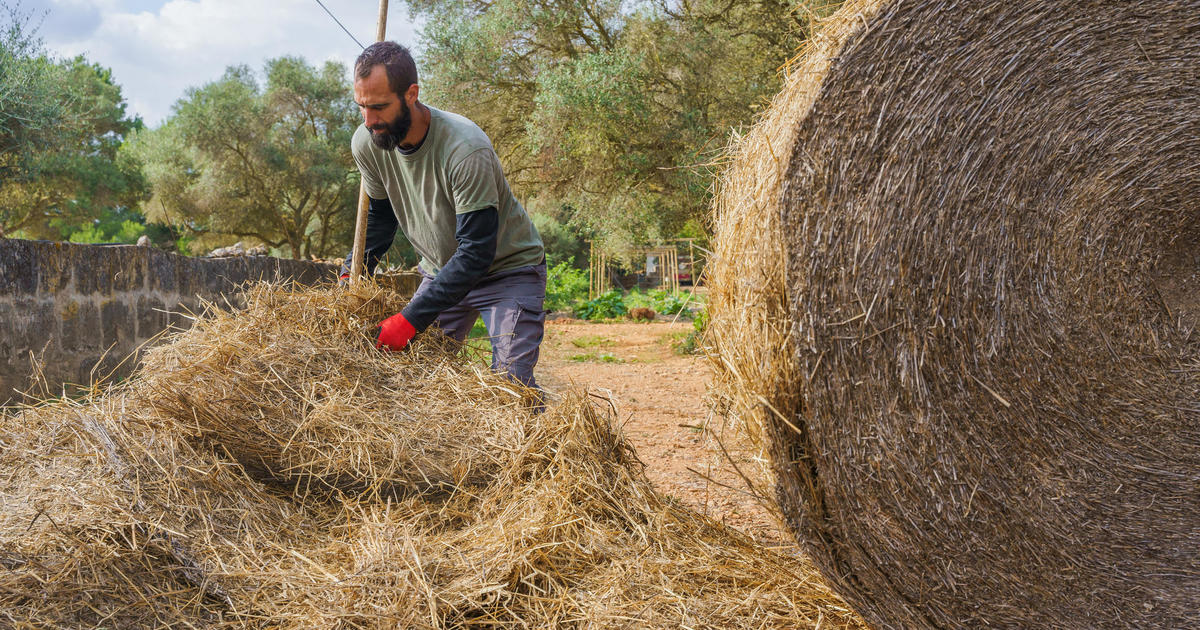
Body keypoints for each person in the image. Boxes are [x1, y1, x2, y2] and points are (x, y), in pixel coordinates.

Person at [341, 41, 546, 389]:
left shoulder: (465, 148)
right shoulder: (368, 142)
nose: (369, 121)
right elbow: (380, 219)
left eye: (378, 107)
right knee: (415, 377)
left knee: (511, 386)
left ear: (411, 94)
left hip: (506, 270)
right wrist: (354, 271)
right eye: (361, 107)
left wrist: (409, 320)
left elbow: (476, 252)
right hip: (441, 273)